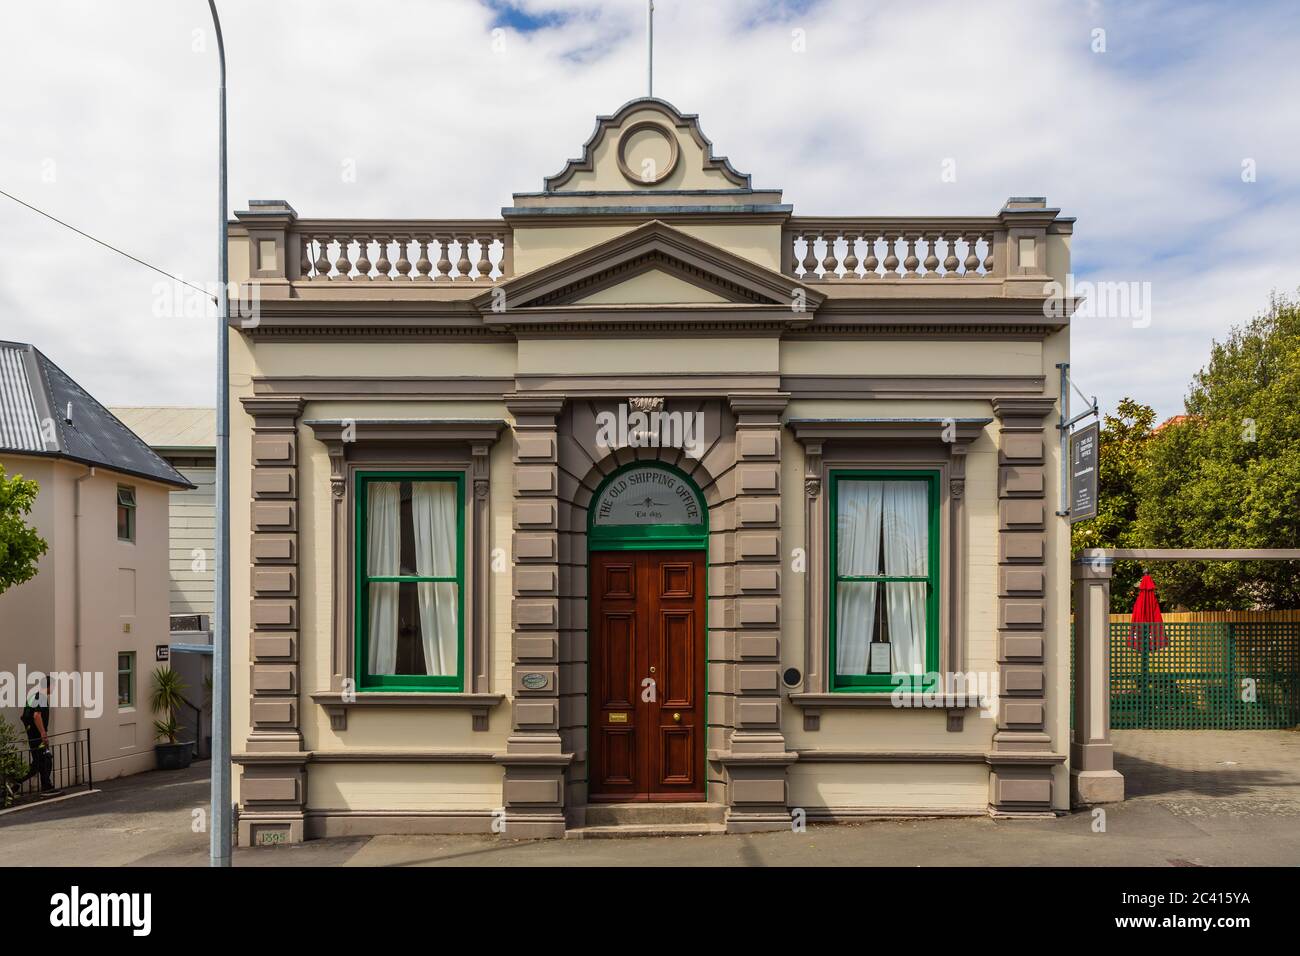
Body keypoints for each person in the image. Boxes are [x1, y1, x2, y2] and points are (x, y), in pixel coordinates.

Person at [20, 674, 59, 795]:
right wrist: (43, 734)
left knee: (40, 762)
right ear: (49, 686)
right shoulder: (41, 698)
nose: (54, 689)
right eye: (53, 686)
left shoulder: (32, 697)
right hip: (37, 736)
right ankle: (17, 781)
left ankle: (46, 785)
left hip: (32, 735)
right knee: (45, 760)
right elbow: (36, 715)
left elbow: (24, 716)